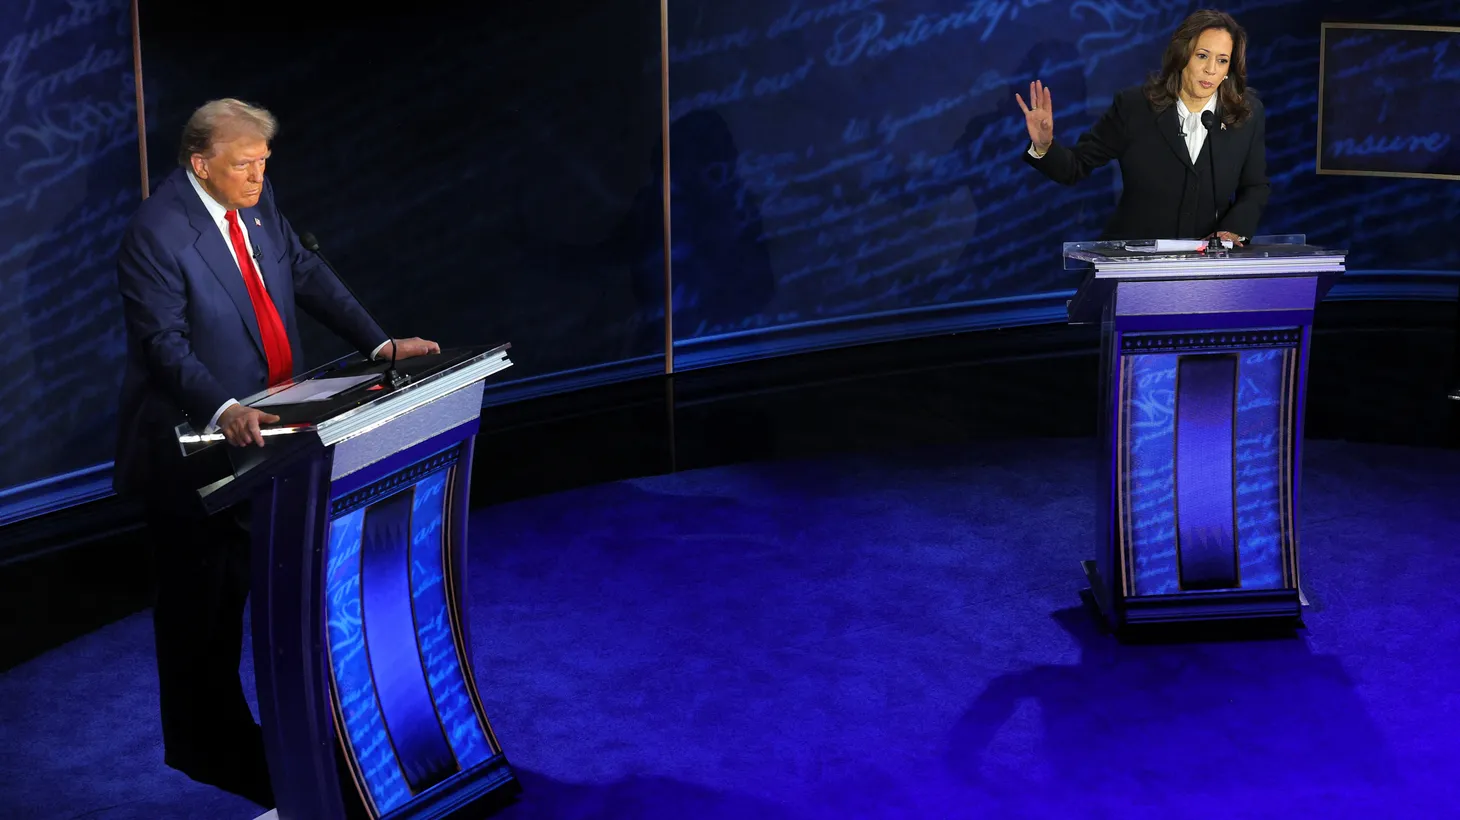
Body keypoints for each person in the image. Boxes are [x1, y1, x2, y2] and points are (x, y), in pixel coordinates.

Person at [112, 98, 439, 807]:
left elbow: (305, 271)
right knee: (205, 616)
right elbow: (162, 345)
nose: (259, 176)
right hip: (196, 456)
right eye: (245, 165)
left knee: (287, 596)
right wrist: (226, 408)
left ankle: (304, 754)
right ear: (201, 164)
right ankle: (214, 752)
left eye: (264, 163)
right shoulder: (156, 233)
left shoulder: (257, 203)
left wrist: (378, 343)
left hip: (278, 446)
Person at [1016, 9, 1269, 245]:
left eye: (1222, 60)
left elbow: (1255, 186)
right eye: (1202, 55)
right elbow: (1075, 167)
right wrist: (1044, 145)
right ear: (1182, 55)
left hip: (1209, 268)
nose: (1211, 70)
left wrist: (1232, 230)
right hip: (1135, 261)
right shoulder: (1134, 108)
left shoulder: (1245, 114)